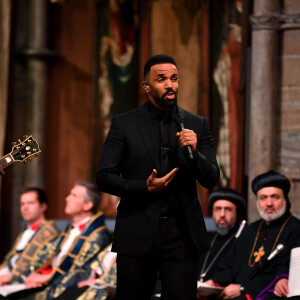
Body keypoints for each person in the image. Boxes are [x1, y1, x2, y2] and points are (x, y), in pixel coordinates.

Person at [97, 54, 220, 300]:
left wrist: (195, 154)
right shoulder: (125, 124)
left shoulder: (197, 123)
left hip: (182, 235)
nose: (169, 85)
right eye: (161, 79)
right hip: (137, 231)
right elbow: (104, 176)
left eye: (174, 79)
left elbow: (211, 178)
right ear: (146, 86)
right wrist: (143, 187)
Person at [205, 170, 300, 300]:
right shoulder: (251, 230)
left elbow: (284, 273)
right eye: (263, 198)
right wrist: (214, 282)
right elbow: (230, 264)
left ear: (285, 199)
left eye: (275, 197)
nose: (269, 203)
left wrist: (244, 289)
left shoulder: (295, 229)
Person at [9, 181, 112, 300]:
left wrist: (46, 278)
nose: (67, 198)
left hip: (67, 287)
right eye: (69, 194)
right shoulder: (68, 229)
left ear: (87, 205)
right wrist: (34, 276)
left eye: (74, 196)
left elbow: (81, 272)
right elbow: (49, 259)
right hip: (48, 281)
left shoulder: (98, 235)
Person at [0, 187, 58, 286]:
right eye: (22, 204)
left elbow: (39, 267)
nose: (25, 208)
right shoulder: (25, 231)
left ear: (43, 207)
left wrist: (10, 278)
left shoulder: (50, 233)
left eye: (30, 203)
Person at [198, 188, 246, 283]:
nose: (222, 214)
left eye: (228, 209)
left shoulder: (243, 240)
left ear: (237, 214)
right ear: (213, 213)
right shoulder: (206, 239)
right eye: (218, 209)